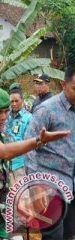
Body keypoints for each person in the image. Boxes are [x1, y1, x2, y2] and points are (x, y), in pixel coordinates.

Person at [0, 87, 69, 239]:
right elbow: (5, 152)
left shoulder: (2, 135)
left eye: (5, 111)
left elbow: (7, 171)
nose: (3, 116)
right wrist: (38, 141)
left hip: (3, 208)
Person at [25, 67, 75, 240]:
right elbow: (28, 147)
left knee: (70, 234)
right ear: (64, 84)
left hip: (72, 184)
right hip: (49, 186)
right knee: (54, 236)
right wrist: (34, 187)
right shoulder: (46, 110)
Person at [4, 88, 32, 184]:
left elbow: (29, 142)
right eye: (12, 101)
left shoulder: (28, 118)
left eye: (17, 101)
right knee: (8, 195)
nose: (14, 104)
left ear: (22, 100)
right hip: (5, 162)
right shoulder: (6, 116)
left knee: (22, 195)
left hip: (20, 163)